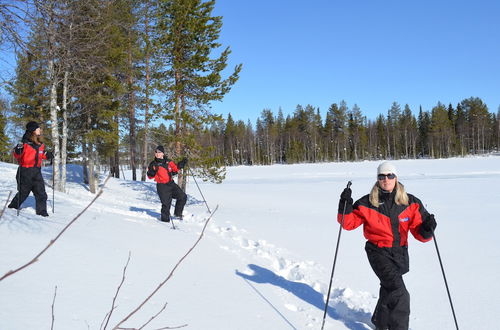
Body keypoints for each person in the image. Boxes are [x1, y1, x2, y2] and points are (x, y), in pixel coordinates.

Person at [337, 161, 437, 330]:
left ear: (396, 178)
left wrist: (428, 229)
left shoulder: (411, 202)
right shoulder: (367, 202)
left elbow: (420, 234)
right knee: (400, 293)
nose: (386, 179)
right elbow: (348, 224)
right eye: (381, 176)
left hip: (399, 253)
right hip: (377, 252)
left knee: (389, 288)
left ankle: (380, 322)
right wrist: (344, 206)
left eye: (389, 175)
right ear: (377, 179)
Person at [8, 121, 54, 216]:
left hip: (36, 172)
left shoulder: (40, 144)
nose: (40, 130)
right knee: (23, 193)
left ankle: (42, 212)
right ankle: (12, 207)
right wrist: (18, 150)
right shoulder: (23, 143)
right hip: (25, 171)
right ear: (33, 130)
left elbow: (42, 154)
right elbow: (16, 155)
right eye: (38, 128)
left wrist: (48, 155)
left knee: (41, 193)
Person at [147, 145, 188, 222]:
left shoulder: (169, 162)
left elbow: (175, 168)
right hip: (162, 186)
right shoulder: (153, 164)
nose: (157, 153)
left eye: (159, 152)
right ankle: (165, 221)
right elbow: (150, 177)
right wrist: (152, 172)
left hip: (171, 184)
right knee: (166, 205)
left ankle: (177, 214)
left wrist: (182, 163)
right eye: (156, 152)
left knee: (183, 197)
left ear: (163, 153)